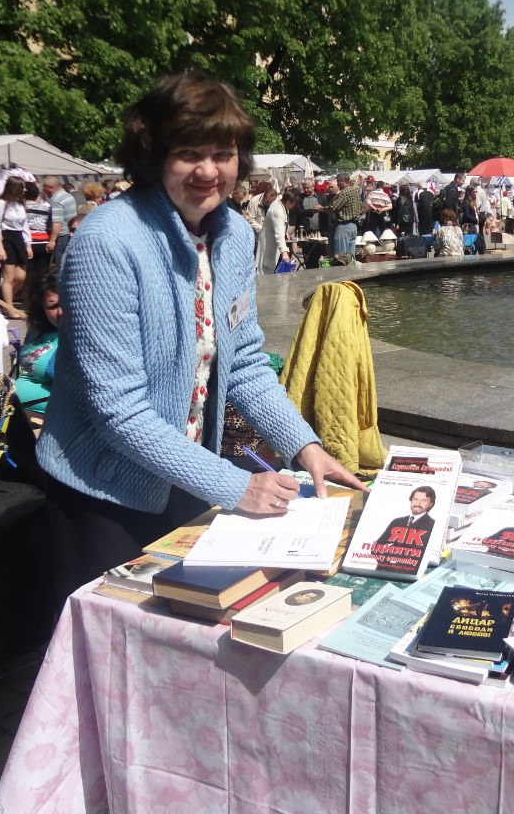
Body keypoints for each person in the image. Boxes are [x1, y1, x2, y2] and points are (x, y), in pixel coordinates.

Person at [37, 71, 363, 601]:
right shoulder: (107, 240)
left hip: (187, 476)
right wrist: (237, 485)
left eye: (223, 154)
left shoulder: (232, 234)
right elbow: (119, 410)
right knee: (117, 632)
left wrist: (303, 445)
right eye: (188, 153)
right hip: (103, 493)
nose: (208, 171)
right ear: (153, 156)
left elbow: (245, 363)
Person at [15, 270, 62, 413]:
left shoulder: (76, 342)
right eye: (53, 307)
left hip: (53, 417)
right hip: (22, 413)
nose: (61, 312)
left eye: (66, 303)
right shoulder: (37, 332)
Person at [370, 485, 437, 574]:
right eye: (415, 499)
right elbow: (376, 548)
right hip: (382, 571)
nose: (418, 503)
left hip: (407, 575)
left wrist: (390, 552)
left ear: (431, 504)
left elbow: (419, 557)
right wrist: (391, 560)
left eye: (424, 500)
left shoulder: (432, 525)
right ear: (411, 500)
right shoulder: (397, 521)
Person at [0, 175, 31, 306]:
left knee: (21, 276)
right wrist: (0, 247)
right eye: (22, 187)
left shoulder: (20, 204)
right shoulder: (2, 204)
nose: (25, 190)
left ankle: (2, 299)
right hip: (7, 238)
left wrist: (28, 244)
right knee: (9, 276)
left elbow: (25, 225)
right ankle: (9, 307)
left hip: (19, 238)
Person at [23, 180, 53, 300]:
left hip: (29, 242)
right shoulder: (47, 206)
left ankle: (28, 298)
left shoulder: (23, 206)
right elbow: (50, 223)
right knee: (43, 273)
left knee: (29, 273)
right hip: (44, 241)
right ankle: (41, 297)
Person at [322, 173, 365, 257]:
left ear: (343, 181)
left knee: (341, 257)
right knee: (350, 257)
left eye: (338, 182)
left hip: (344, 227)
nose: (338, 185)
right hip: (354, 227)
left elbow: (333, 207)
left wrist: (321, 208)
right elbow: (360, 209)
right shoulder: (355, 192)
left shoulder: (344, 192)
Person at [258, 187, 296, 274]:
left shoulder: (281, 203)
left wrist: (285, 232)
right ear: (288, 202)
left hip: (275, 242)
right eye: (293, 204)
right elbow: (279, 235)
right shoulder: (277, 211)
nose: (294, 206)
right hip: (269, 244)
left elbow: (280, 226)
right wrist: (284, 252)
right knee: (267, 272)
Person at [42, 176, 77, 265]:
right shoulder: (68, 195)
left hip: (62, 236)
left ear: (50, 188)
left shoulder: (57, 200)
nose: (44, 191)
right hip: (70, 234)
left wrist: (52, 240)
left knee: (60, 264)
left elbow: (57, 222)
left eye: (44, 189)